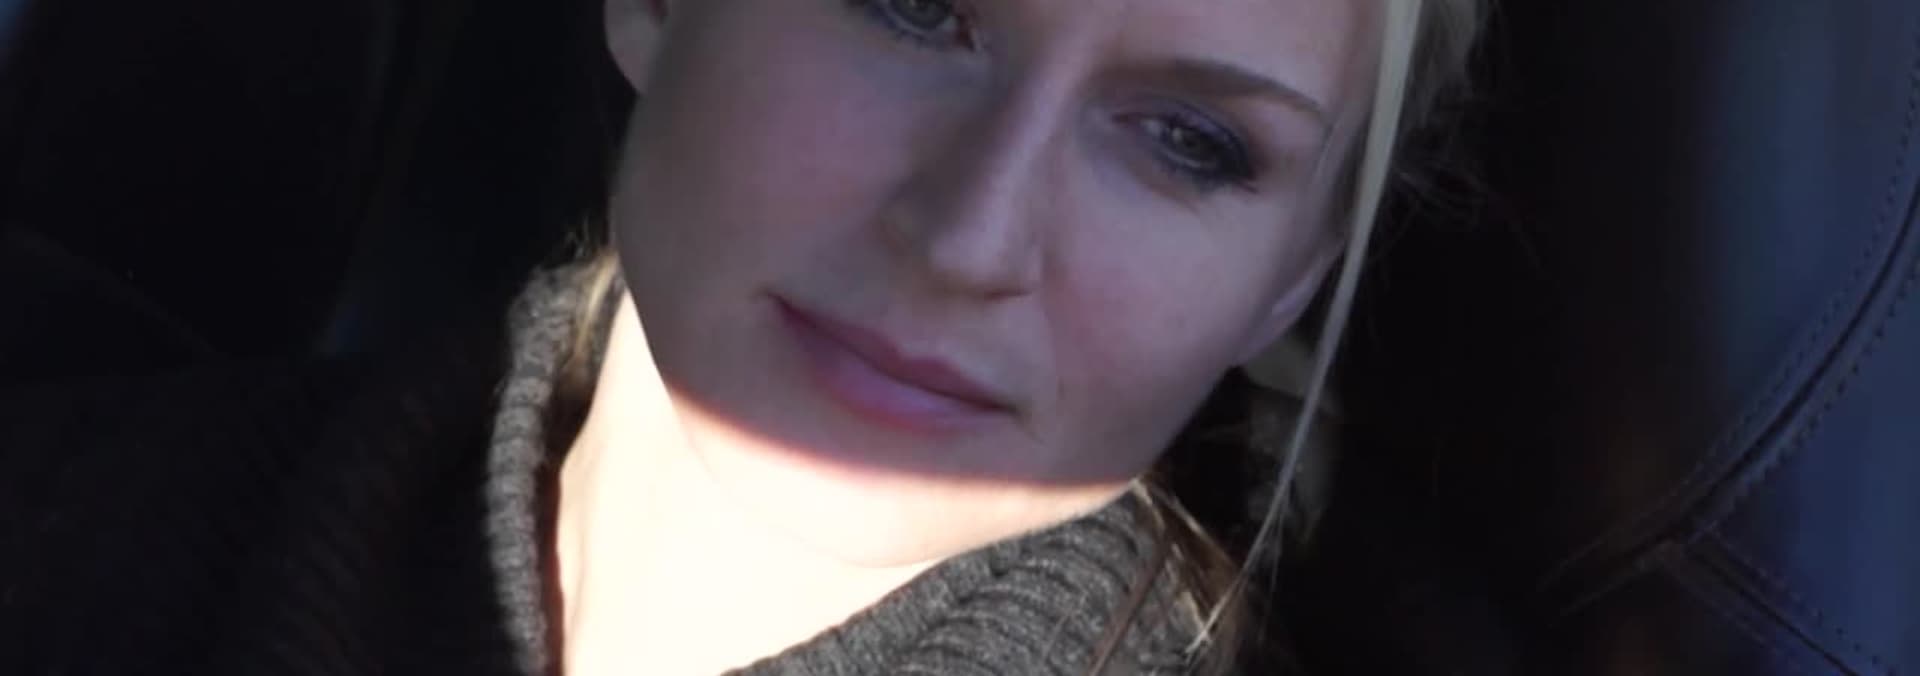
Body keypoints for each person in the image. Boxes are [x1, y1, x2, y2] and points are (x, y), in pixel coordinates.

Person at [0, 0, 1481, 673]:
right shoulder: (73, 512)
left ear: (1289, 285)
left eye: (1188, 142)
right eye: (912, 10)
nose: (972, 238)